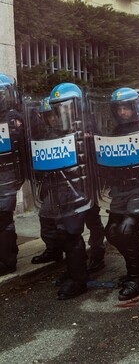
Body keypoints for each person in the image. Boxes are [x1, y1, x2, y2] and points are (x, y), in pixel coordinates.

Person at [95, 87, 139, 300]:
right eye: (119, 108)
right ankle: (137, 269)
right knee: (112, 232)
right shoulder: (115, 132)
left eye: (127, 107)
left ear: (135, 107)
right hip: (121, 190)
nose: (123, 112)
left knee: (126, 230)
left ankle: (137, 278)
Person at [27, 83, 93, 299]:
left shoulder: (88, 129)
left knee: (71, 232)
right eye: (59, 108)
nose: (62, 112)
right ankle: (73, 271)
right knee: (62, 232)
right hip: (59, 191)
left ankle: (78, 280)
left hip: (79, 191)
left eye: (66, 107)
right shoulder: (53, 133)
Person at [0, 74, 25, 276]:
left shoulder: (14, 118)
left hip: (7, 175)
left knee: (3, 216)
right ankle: (8, 253)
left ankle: (8, 261)